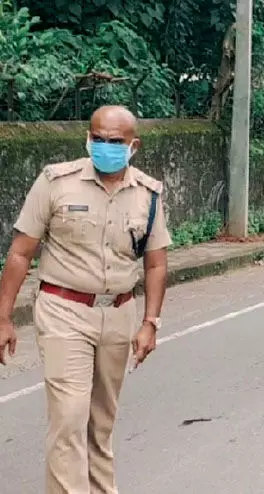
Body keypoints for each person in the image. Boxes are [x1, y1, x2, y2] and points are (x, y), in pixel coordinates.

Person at [0, 105, 172, 493]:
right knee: (69, 419)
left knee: (101, 424)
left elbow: (156, 264)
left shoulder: (148, 195)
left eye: (115, 141)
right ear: (88, 138)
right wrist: (4, 317)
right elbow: (21, 253)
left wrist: (150, 323)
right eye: (98, 138)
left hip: (118, 314)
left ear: (133, 146)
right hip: (63, 310)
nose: (105, 146)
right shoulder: (56, 182)